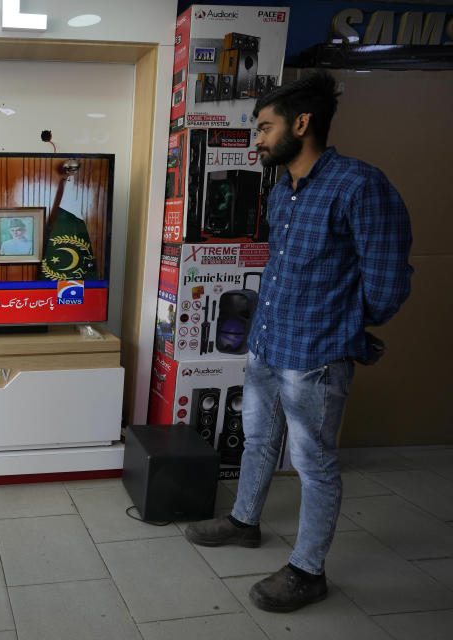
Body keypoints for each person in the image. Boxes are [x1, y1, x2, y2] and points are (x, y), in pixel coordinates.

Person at [184, 71, 412, 613]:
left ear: (302, 124)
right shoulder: (283, 191)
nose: (257, 139)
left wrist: (342, 329)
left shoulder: (360, 185)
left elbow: (387, 281)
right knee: (258, 439)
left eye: (264, 127)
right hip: (267, 344)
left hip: (316, 356)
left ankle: (308, 572)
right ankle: (244, 522)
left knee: (314, 463)